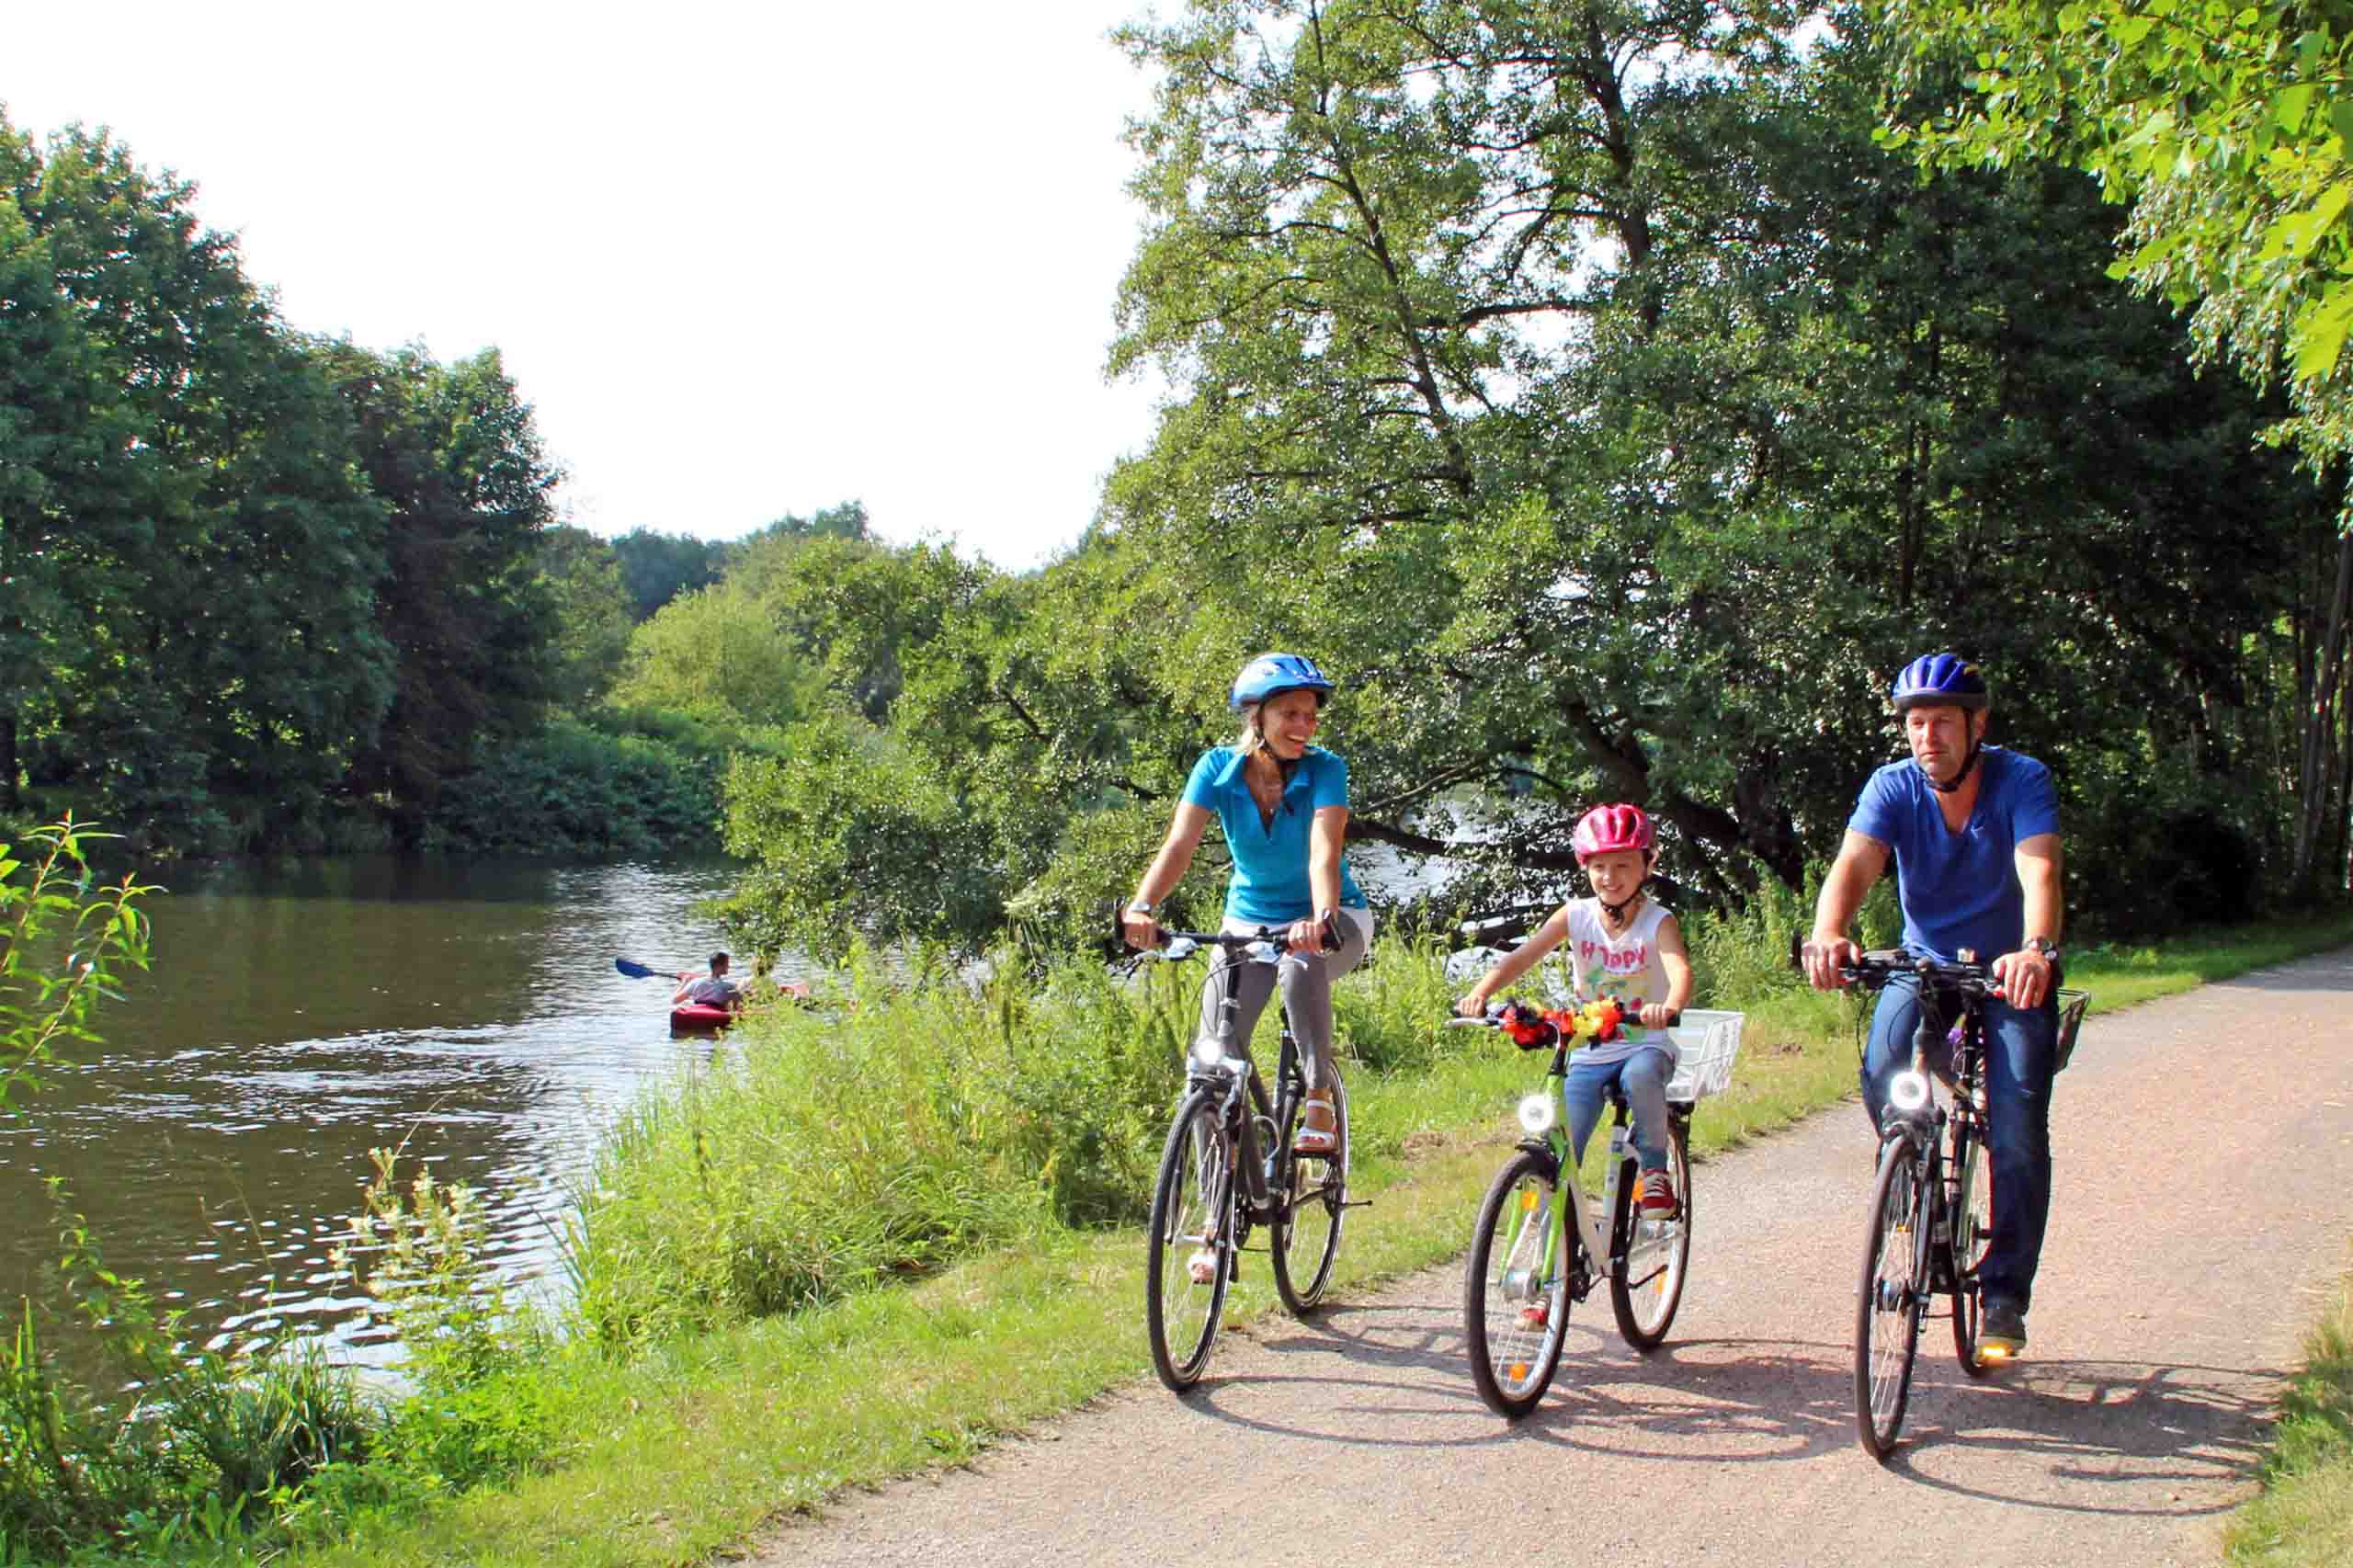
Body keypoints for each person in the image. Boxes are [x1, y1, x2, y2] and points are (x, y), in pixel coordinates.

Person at [1801, 653, 2063, 1359]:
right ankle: (1916, 1183)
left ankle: (2004, 1292)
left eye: (1942, 721)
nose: (1927, 736)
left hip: (2012, 974)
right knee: (1886, 1065)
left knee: (2014, 1125)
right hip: (1926, 966)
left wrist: (2035, 947)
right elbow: (1852, 867)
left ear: (1977, 725)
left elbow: (2038, 868)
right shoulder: (1892, 787)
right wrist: (1830, 934)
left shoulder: (2022, 780)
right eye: (1915, 722)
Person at [1122, 653, 1374, 1277]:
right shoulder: (1218, 769)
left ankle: (1317, 1093)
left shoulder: (1325, 771)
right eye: (1290, 712)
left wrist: (1320, 917)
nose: (1304, 724)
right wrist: (1143, 904)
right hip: (1248, 922)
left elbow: (1324, 850)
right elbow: (1179, 846)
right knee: (1213, 1061)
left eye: (1310, 714)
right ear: (1256, 716)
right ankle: (1216, 1224)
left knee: (1299, 961)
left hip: (1333, 919)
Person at [1455, 803, 1695, 1217]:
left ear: (1647, 865)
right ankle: (1555, 1210)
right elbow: (1521, 957)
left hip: (1646, 1044)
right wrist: (1480, 992)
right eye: (1599, 866)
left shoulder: (1659, 920)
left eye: (1623, 865)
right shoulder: (1576, 915)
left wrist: (1669, 1007)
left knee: (1640, 1077)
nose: (1610, 877)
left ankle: (1654, 1172)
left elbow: (1680, 969)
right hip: (1591, 1047)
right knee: (1562, 1133)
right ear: (1585, 867)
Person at [673, 952, 741, 1009]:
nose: (729, 966)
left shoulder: (695, 982)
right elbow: (738, 1004)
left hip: (698, 1014)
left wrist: (685, 981)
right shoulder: (729, 987)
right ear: (719, 966)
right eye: (727, 964)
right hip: (717, 1017)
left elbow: (675, 1000)